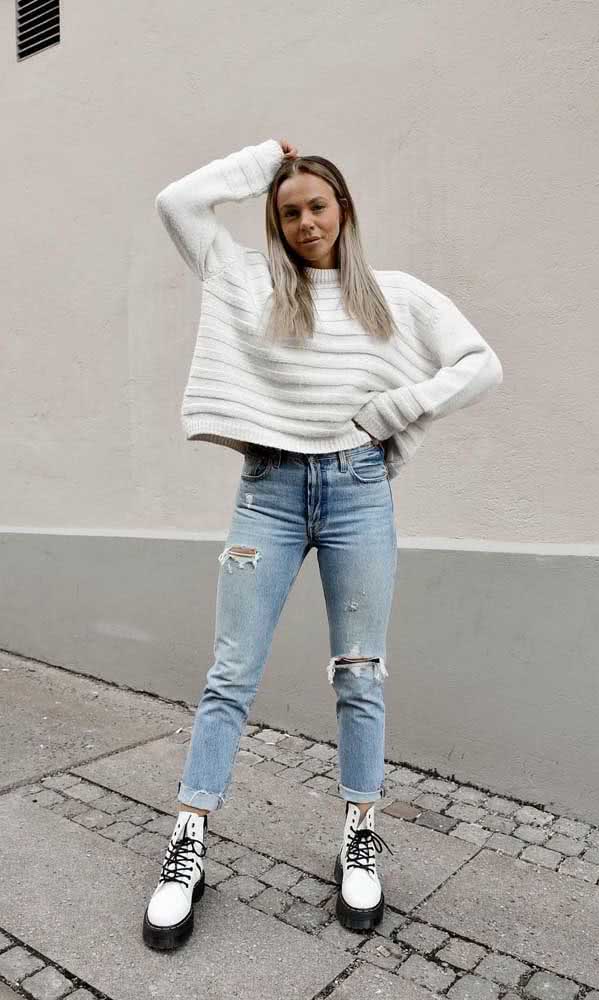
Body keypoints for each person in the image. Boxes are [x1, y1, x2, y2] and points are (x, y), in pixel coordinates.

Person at [143, 137, 503, 950]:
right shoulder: (247, 282)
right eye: (289, 210)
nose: (306, 222)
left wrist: (398, 408)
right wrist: (266, 158)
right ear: (275, 220)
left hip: (357, 494)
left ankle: (359, 834)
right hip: (266, 494)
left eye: (317, 206)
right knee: (230, 673)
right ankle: (188, 845)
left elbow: (481, 365)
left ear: (344, 210)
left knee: (360, 674)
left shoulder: (395, 297)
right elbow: (176, 202)